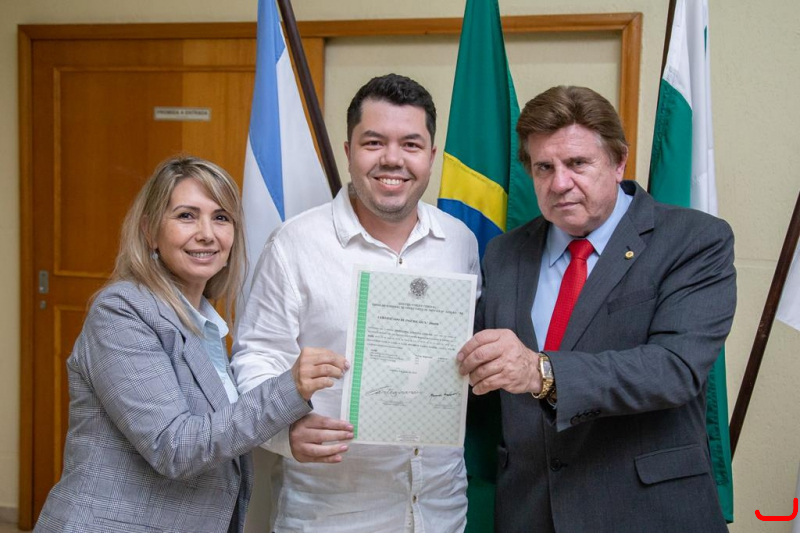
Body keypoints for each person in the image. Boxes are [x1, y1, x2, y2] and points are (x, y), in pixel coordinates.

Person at [457, 86, 736, 532]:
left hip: (646, 512)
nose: (559, 183)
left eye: (577, 163)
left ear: (618, 160)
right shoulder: (504, 254)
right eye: (544, 167)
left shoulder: (694, 240)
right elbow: (466, 369)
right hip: (530, 510)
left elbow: (675, 369)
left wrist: (541, 372)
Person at [35, 156, 347, 533]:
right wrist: (289, 388)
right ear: (150, 231)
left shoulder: (206, 326)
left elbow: (222, 432)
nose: (207, 234)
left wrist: (291, 431)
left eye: (221, 218)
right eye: (186, 216)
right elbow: (175, 447)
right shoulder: (121, 312)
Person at [232, 74, 480, 532]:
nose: (392, 159)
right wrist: (284, 432)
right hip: (332, 515)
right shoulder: (295, 244)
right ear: (349, 152)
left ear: (431, 156)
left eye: (410, 144)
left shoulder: (460, 242)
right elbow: (255, 358)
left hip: (440, 513)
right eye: (373, 142)